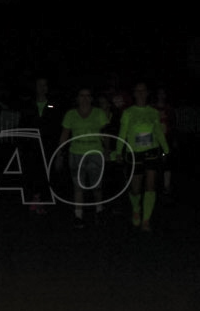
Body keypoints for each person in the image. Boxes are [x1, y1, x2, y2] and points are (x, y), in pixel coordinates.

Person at [114, 81, 170, 231]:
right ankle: (136, 209)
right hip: (133, 153)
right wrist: (119, 151)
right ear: (134, 93)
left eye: (143, 90)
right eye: (137, 91)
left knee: (150, 185)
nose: (140, 93)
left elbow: (158, 132)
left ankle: (146, 220)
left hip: (152, 151)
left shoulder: (153, 112)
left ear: (147, 93)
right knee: (136, 189)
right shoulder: (128, 112)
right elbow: (122, 133)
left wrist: (166, 149)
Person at [59, 87, 110, 228]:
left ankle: (99, 210)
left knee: (97, 186)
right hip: (76, 152)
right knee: (78, 186)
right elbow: (65, 134)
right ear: (77, 98)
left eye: (88, 96)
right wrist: (60, 152)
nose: (85, 98)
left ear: (92, 98)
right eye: (82, 95)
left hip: (95, 152)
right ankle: (78, 215)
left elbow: (105, 133)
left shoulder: (99, 113)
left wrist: (107, 150)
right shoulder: (70, 114)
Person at [18, 76, 61, 213]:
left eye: (44, 85)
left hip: (48, 146)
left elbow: (57, 127)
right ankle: (33, 198)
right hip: (31, 146)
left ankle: (42, 199)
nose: (42, 88)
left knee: (46, 174)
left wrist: (58, 149)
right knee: (31, 173)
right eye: (39, 85)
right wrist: (22, 146)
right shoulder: (28, 104)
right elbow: (22, 126)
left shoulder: (53, 105)